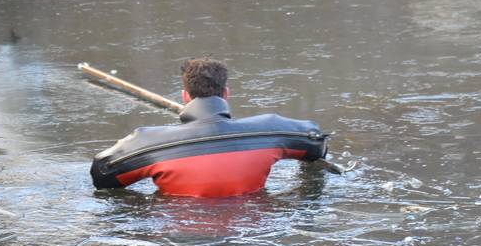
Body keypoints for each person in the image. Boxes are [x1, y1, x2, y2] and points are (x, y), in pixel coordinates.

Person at [90, 58, 328, 198]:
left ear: (185, 96)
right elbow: (316, 140)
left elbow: (101, 175)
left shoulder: (146, 142)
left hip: (178, 231)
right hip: (252, 230)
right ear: (226, 93)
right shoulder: (270, 130)